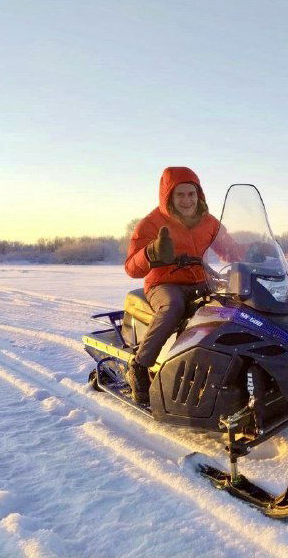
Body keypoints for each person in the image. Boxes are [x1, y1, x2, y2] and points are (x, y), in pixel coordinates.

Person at [123, 166, 239, 403]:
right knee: (174, 307)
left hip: (202, 281)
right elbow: (131, 268)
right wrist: (150, 253)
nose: (187, 200)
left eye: (191, 194)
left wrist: (255, 251)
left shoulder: (208, 222)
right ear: (169, 196)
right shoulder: (151, 223)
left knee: (232, 307)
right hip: (164, 284)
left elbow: (229, 249)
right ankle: (139, 365)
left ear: (199, 195)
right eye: (180, 194)